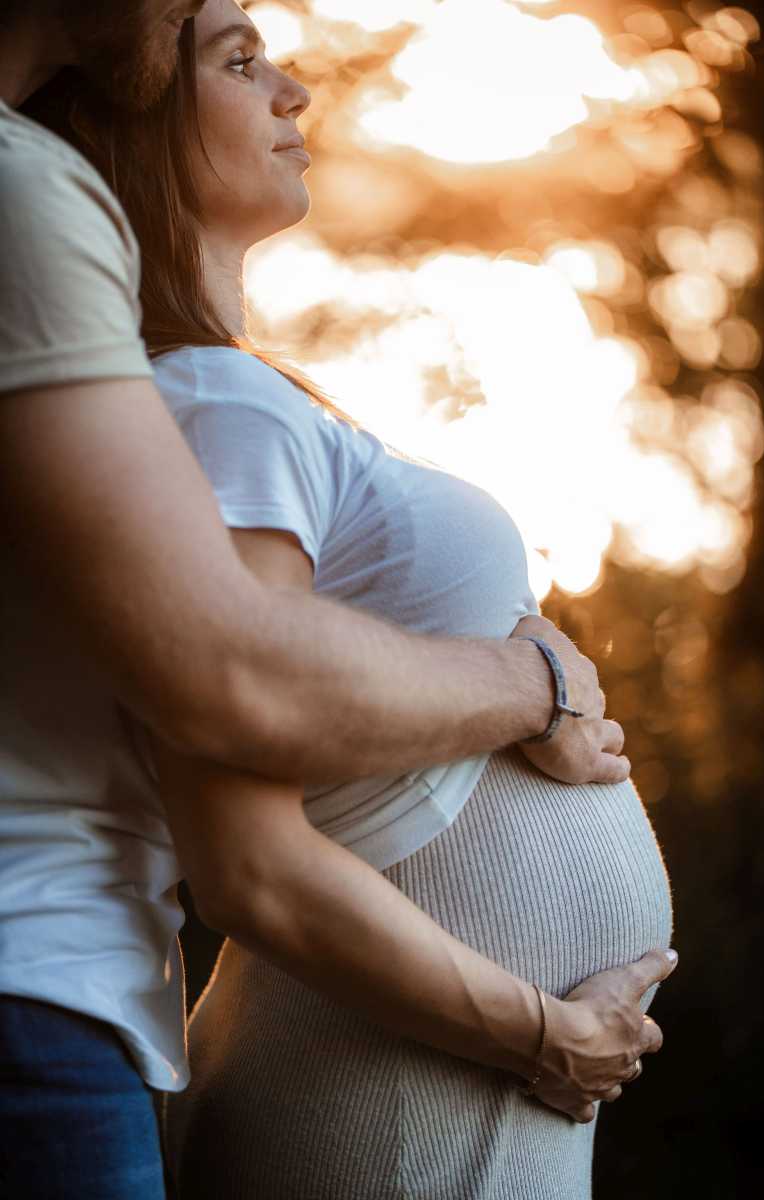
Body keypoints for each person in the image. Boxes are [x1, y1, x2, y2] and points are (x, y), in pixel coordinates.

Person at [0, 3, 670, 1199]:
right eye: (239, 60)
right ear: (133, 117)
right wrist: (538, 687)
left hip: (392, 1085)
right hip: (385, 1085)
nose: (295, 91)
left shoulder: (234, 397)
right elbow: (245, 842)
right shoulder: (212, 405)